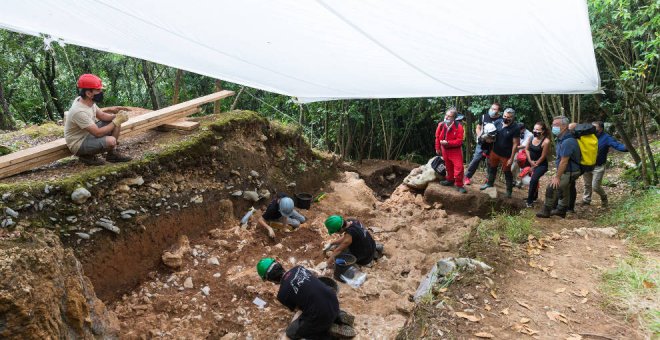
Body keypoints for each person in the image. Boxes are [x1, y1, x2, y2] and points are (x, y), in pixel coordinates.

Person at [256, 258, 356, 339]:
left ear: (269, 279)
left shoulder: (282, 295)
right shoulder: (298, 268)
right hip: (333, 300)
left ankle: (328, 331)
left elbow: (299, 310)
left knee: (291, 332)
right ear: (279, 265)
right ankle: (339, 314)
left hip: (322, 316)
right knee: (319, 301)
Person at [64, 74, 131, 165]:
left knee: (115, 122)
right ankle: (85, 155)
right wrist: (116, 121)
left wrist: (117, 116)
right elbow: (97, 133)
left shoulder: (88, 101)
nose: (101, 92)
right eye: (98, 90)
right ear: (88, 93)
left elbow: (102, 115)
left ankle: (112, 154)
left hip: (88, 134)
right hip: (78, 143)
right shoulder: (78, 111)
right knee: (111, 140)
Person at [537, 116, 581, 218]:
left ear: (565, 126)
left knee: (552, 188)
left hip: (569, 171)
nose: (553, 127)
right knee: (564, 189)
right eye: (553, 124)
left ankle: (546, 210)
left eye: (556, 125)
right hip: (569, 170)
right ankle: (561, 210)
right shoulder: (561, 139)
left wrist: (557, 177)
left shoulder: (567, 141)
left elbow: (564, 161)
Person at [580, 121, 628, 207]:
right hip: (587, 165)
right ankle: (586, 200)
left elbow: (617, 145)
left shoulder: (606, 138)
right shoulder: (588, 135)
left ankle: (604, 197)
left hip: (598, 166)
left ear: (601, 129)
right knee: (587, 184)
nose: (592, 129)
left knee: (595, 186)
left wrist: (628, 148)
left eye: (595, 127)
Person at [480, 108, 520, 198]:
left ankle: (509, 191)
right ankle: (489, 183)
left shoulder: (515, 128)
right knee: (492, 168)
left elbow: (515, 144)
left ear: (513, 117)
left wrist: (512, 158)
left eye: (509, 117)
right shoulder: (498, 122)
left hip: (506, 155)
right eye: (505, 116)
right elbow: (491, 133)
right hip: (495, 151)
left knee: (507, 172)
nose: (506, 118)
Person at [465, 102, 503, 185]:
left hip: (493, 144)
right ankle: (467, 177)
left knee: (491, 162)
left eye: (494, 109)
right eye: (491, 108)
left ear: (498, 111)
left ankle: (488, 180)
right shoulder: (484, 116)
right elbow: (478, 127)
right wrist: (479, 136)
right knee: (476, 159)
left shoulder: (501, 120)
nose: (492, 110)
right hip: (482, 142)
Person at [435, 108, 466, 194]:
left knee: (459, 167)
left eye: (449, 116)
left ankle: (459, 185)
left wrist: (448, 143)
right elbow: (437, 137)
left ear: (454, 118)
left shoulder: (458, 127)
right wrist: (437, 147)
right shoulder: (441, 125)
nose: (447, 117)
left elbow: (459, 141)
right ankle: (450, 180)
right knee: (448, 165)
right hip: (444, 149)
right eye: (446, 115)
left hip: (455, 150)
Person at [524, 122, 551, 208]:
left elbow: (543, 156)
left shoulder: (546, 141)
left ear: (542, 131)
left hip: (541, 164)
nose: (535, 131)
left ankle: (529, 201)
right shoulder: (531, 137)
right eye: (534, 129)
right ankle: (534, 197)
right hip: (531, 162)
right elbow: (527, 149)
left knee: (533, 180)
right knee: (532, 180)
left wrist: (534, 165)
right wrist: (530, 160)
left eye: (537, 130)